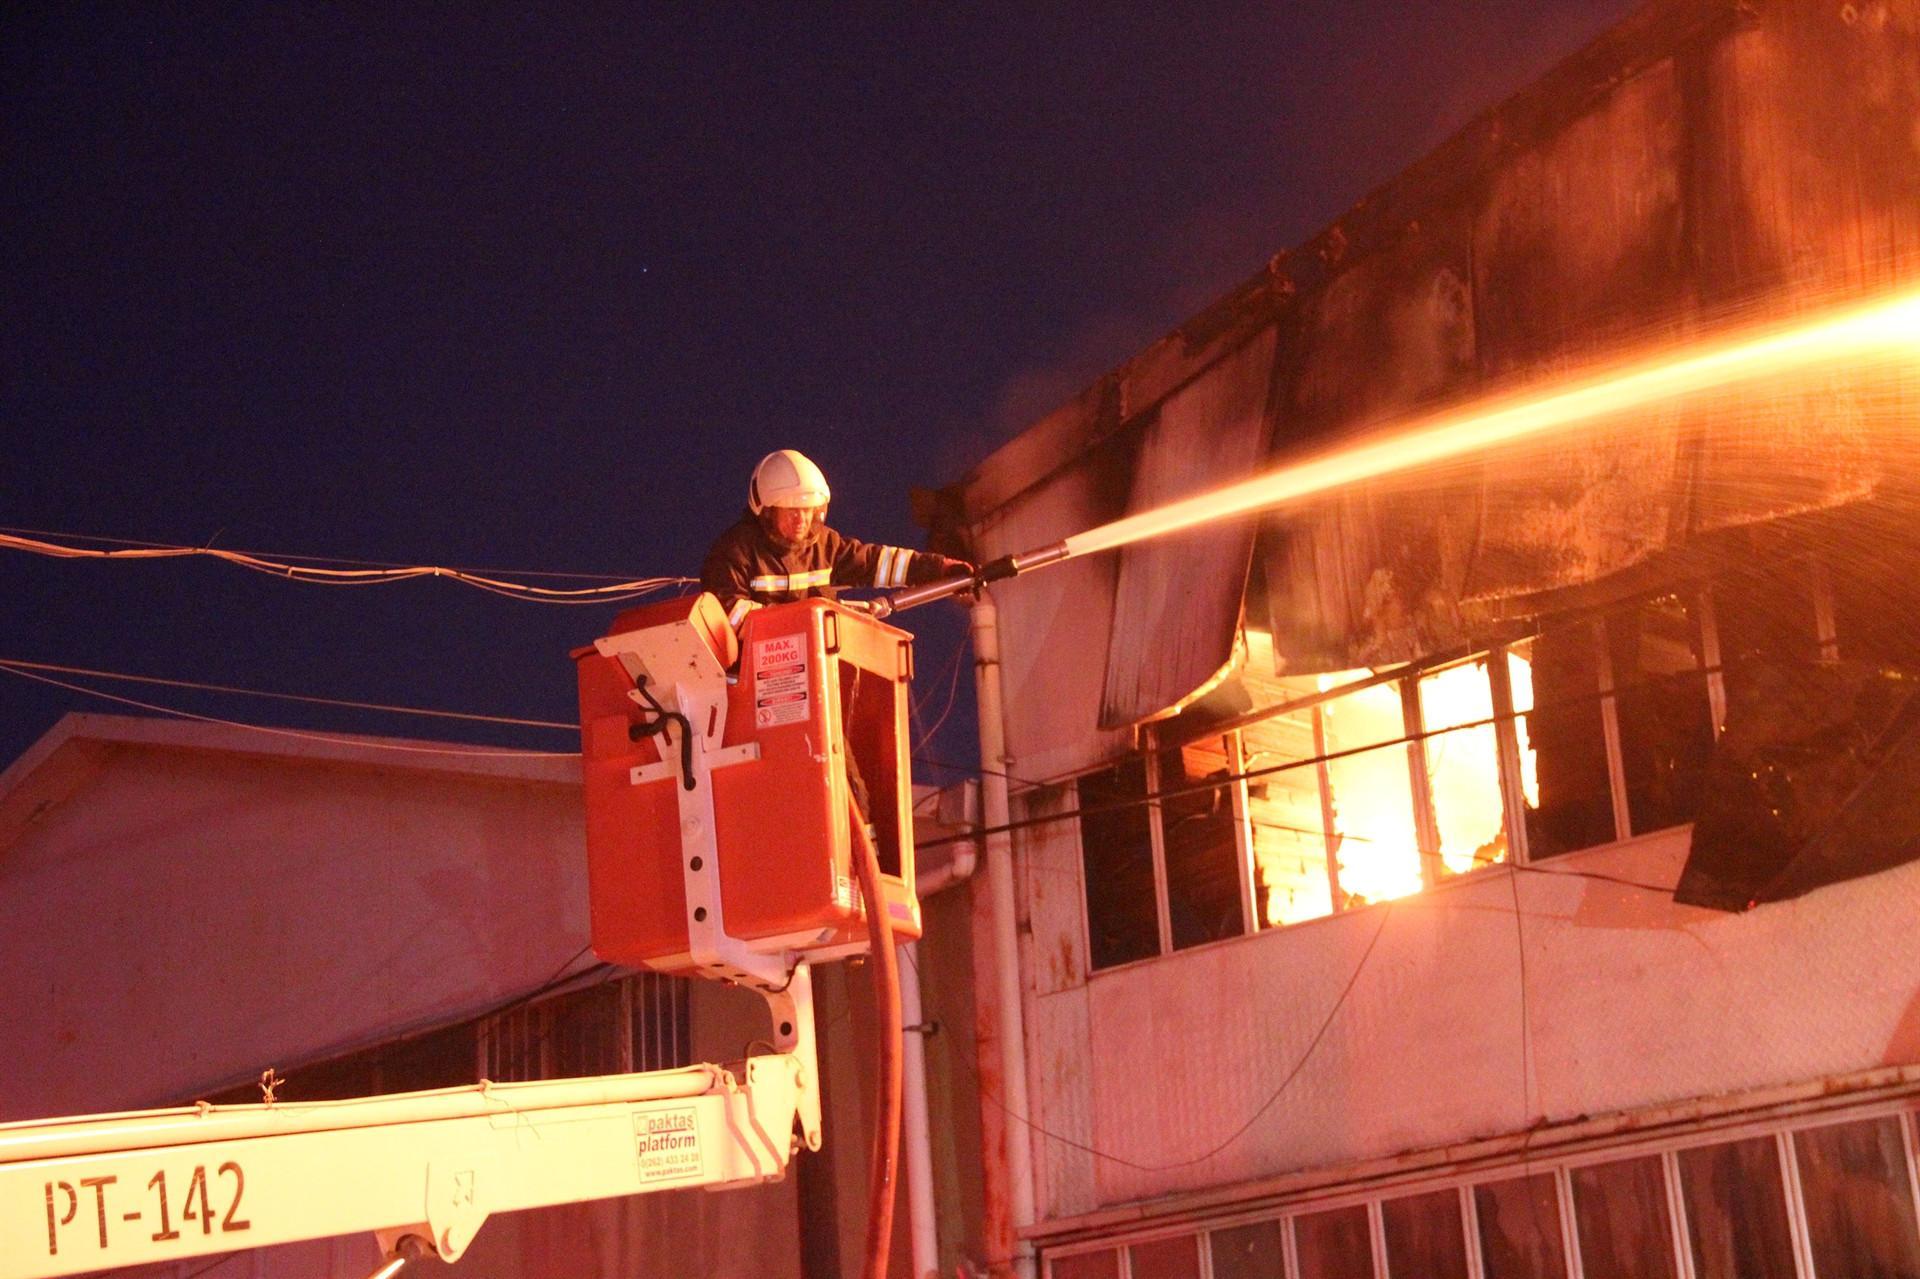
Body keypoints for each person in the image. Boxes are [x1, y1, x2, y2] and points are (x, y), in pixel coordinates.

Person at [701, 448, 974, 633]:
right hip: (757, 682)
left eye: (809, 511)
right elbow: (729, 615)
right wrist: (804, 622)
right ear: (768, 511)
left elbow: (876, 562)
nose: (802, 520)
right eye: (792, 510)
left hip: (819, 668)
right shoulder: (734, 553)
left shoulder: (824, 545)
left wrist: (940, 569)